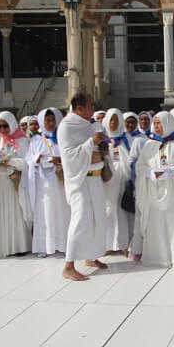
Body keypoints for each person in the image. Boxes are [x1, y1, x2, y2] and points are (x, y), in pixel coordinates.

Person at [133, 110, 174, 268]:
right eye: (155, 123)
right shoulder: (149, 144)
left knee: (173, 224)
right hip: (153, 191)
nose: (156, 126)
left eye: (159, 123)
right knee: (156, 225)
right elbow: (140, 167)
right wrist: (148, 172)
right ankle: (155, 257)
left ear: (168, 123)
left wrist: (172, 172)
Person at [59, 93, 109, 281]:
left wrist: (101, 147)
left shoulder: (90, 124)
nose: (93, 110)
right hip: (79, 181)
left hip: (95, 178)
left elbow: (100, 149)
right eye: (90, 106)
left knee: (97, 218)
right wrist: (92, 142)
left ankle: (91, 256)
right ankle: (68, 265)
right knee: (80, 219)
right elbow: (69, 157)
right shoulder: (66, 127)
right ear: (79, 108)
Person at [0, 110, 32, 258]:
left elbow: (27, 162)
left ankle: (19, 245)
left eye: (5, 125)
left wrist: (10, 163)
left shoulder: (22, 141)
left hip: (14, 182)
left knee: (15, 210)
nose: (2, 129)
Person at [27, 107, 69, 257]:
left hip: (60, 180)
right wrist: (36, 159)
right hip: (44, 182)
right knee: (45, 212)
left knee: (62, 210)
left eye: (53, 120)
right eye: (48, 121)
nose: (51, 123)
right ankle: (45, 245)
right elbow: (29, 159)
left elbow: (70, 156)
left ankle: (63, 244)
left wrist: (60, 160)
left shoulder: (63, 138)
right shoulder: (36, 140)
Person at [103, 108, 135, 254]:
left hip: (123, 181)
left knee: (123, 213)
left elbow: (132, 159)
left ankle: (124, 244)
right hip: (107, 181)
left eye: (117, 120)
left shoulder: (127, 139)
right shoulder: (103, 140)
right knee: (108, 212)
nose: (114, 123)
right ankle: (108, 245)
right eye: (111, 120)